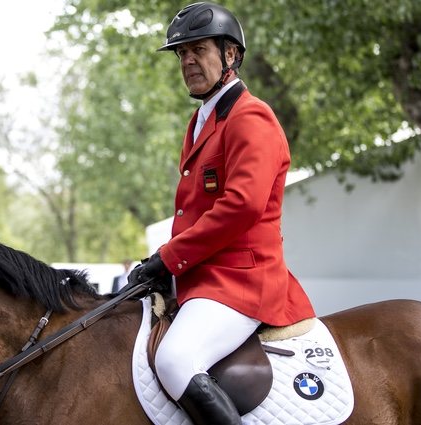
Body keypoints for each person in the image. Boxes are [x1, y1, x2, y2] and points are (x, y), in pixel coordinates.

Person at [128, 3, 315, 424]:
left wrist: (169, 256)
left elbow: (241, 207)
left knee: (175, 359)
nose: (188, 61)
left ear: (231, 54)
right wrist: (168, 268)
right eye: (181, 54)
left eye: (198, 49)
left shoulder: (252, 117)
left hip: (242, 280)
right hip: (203, 278)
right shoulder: (200, 121)